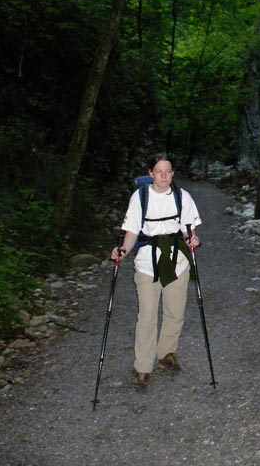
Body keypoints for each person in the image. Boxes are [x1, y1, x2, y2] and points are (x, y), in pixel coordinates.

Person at [110, 152, 201, 388]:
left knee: (175, 312)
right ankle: (143, 366)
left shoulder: (183, 197)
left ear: (172, 173)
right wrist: (122, 251)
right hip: (147, 264)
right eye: (158, 171)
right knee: (147, 316)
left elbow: (188, 230)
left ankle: (166, 354)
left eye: (168, 171)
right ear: (150, 173)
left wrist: (193, 239)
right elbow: (131, 232)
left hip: (177, 263)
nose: (163, 175)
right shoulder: (140, 197)